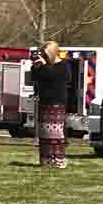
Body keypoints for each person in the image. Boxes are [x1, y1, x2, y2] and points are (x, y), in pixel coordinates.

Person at [30, 42, 81, 170]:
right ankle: (46, 160)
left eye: (45, 54)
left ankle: (58, 160)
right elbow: (35, 77)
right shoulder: (43, 66)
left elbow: (53, 76)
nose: (43, 56)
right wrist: (36, 65)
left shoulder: (63, 66)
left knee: (56, 133)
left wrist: (44, 66)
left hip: (57, 102)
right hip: (44, 102)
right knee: (45, 132)